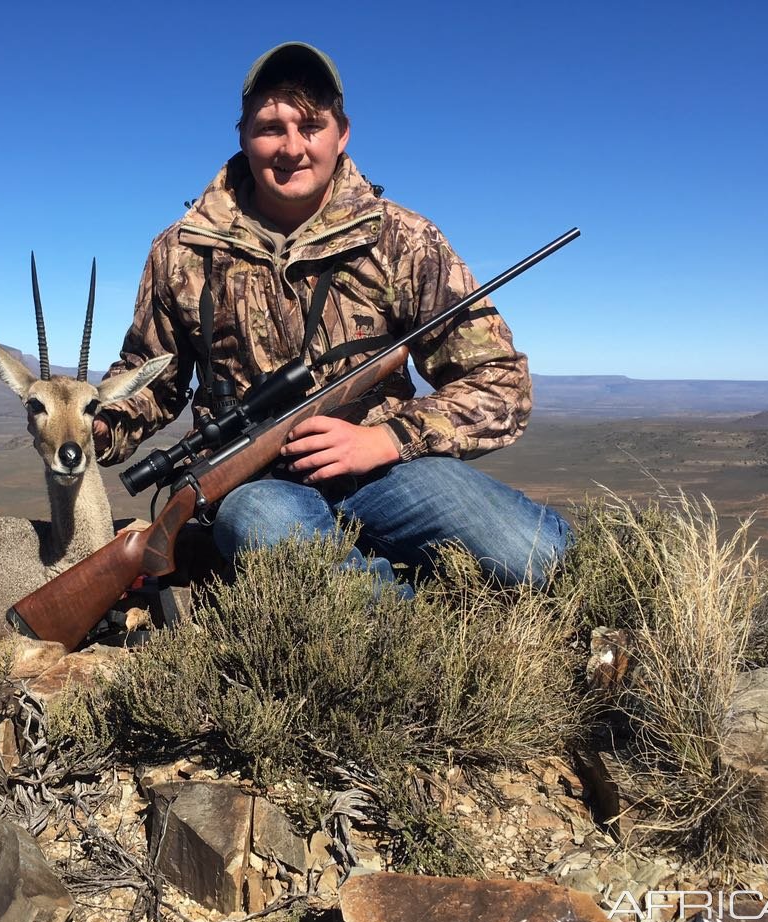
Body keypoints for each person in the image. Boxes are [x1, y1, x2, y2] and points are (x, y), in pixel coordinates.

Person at [93, 41, 570, 589]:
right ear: (243, 136)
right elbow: (152, 376)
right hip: (256, 482)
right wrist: (92, 424)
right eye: (271, 126)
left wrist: (386, 440)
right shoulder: (181, 250)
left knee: (532, 556)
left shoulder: (402, 239)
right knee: (261, 523)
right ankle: (414, 635)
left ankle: (363, 586)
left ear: (342, 133)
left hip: (388, 466)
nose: (292, 147)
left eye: (311, 125)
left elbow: (501, 384)